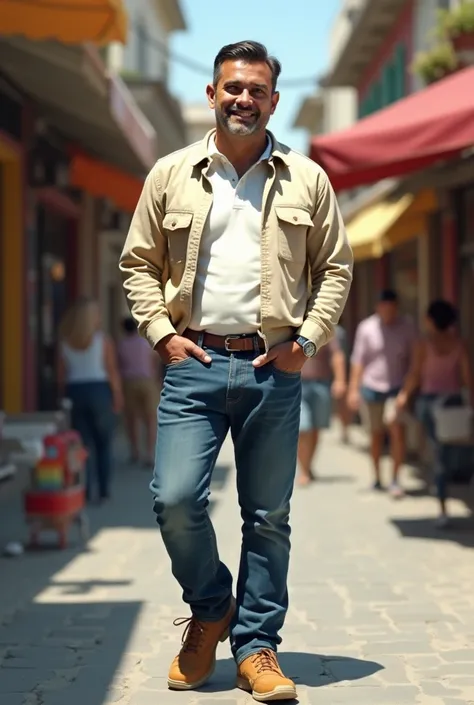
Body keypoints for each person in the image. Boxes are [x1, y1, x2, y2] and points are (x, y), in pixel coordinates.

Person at [119, 41, 352, 702]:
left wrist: (308, 338)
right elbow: (137, 262)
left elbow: (335, 266)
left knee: (268, 515)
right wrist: (161, 333)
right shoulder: (170, 174)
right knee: (173, 498)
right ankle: (212, 605)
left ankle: (256, 646)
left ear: (273, 100)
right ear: (212, 95)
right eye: (232, 88)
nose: (243, 99)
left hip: (272, 366)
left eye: (256, 90)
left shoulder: (307, 179)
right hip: (191, 361)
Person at [397, 300, 473, 527]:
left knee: (437, 454)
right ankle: (448, 493)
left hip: (429, 405)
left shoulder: (423, 345)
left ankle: (442, 507)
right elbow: (468, 380)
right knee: (452, 451)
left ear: (430, 320)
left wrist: (403, 396)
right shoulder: (459, 344)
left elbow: (415, 375)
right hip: (453, 404)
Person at [347, 290, 416, 497]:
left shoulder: (407, 328)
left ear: (396, 307)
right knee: (375, 435)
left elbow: (415, 360)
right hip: (371, 387)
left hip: (396, 387)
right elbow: (358, 360)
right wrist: (353, 389)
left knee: (396, 430)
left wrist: (407, 391)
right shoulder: (367, 328)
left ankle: (395, 479)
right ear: (378, 308)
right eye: (384, 308)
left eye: (391, 308)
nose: (388, 312)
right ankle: (377, 477)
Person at [57, 298, 123, 503]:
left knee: (81, 445)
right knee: (103, 443)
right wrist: (118, 394)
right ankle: (103, 490)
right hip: (99, 390)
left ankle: (84, 489)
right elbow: (111, 370)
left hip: (74, 391)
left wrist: (61, 398)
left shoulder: (65, 342)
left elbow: (61, 375)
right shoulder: (102, 340)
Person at [297, 336, 347, 485]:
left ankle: (308, 465)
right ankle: (304, 471)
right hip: (296, 384)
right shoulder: (293, 325)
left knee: (316, 428)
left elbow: (337, 354)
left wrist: (340, 380)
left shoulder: (326, 328)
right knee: (303, 428)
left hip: (321, 384)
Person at [117, 317, 161, 467]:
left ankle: (135, 452)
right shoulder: (146, 343)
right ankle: (149, 454)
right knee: (150, 419)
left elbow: (119, 364)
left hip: (129, 381)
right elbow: (155, 360)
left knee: (132, 419)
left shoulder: (122, 344)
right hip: (147, 381)